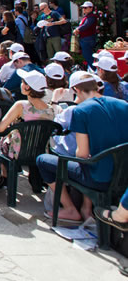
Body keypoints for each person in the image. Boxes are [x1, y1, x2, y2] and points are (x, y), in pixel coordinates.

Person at [37, 71, 128, 223]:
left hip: (99, 178)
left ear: (76, 90)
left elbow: (82, 154)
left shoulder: (80, 111)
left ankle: (70, 209)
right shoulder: (124, 105)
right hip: (124, 176)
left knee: (42, 160)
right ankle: (86, 208)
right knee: (90, 162)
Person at [0, 70, 57, 159]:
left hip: (18, 153)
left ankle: (2, 169)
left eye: (22, 82)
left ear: (27, 87)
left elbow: (0, 129)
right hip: (41, 153)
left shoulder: (21, 105)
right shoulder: (50, 110)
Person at [76, 1, 98, 69]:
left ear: (91, 8)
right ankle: (93, 69)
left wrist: (78, 29)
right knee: (87, 56)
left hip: (88, 39)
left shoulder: (91, 17)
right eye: (83, 8)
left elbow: (87, 25)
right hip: (85, 39)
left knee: (88, 56)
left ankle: (95, 70)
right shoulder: (87, 16)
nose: (83, 9)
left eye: (85, 8)